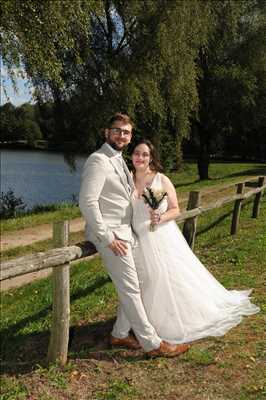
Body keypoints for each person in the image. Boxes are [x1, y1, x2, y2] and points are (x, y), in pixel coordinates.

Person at [79, 113, 189, 357]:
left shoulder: (119, 160)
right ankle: (153, 345)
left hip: (126, 233)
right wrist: (107, 238)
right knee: (131, 287)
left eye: (126, 132)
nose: (122, 135)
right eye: (117, 130)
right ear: (106, 132)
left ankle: (119, 334)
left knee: (138, 283)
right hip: (112, 237)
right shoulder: (98, 160)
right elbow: (87, 203)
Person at [131, 139, 260, 344]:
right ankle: (144, 320)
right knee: (144, 279)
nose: (140, 157)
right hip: (137, 239)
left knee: (168, 277)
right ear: (132, 156)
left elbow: (175, 209)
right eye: (137, 153)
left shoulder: (161, 180)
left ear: (151, 158)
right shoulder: (127, 180)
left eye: (145, 154)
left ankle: (172, 320)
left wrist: (160, 217)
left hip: (161, 236)